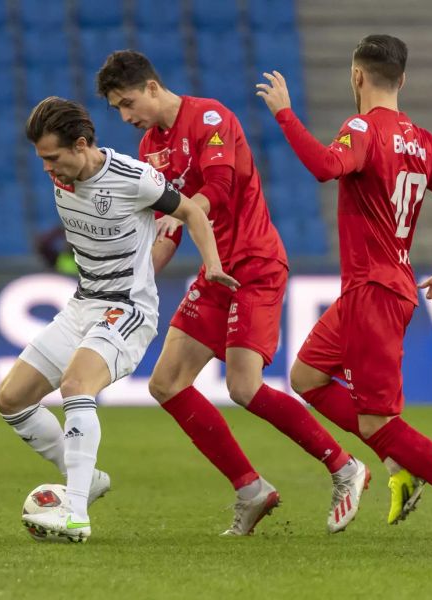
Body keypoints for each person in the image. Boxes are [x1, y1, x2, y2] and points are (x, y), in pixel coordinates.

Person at [96, 50, 369, 536]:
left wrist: (186, 216)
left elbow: (217, 189)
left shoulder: (209, 117)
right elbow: (168, 229)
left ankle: (345, 467)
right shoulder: (149, 147)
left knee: (243, 387)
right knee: (166, 383)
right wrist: (135, 284)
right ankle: (250, 488)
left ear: (153, 87)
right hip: (214, 272)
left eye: (128, 101)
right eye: (117, 107)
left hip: (254, 264)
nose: (125, 115)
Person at [256, 34, 432, 554]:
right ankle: (399, 465)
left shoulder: (361, 128)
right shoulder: (426, 140)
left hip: (374, 291)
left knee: (377, 420)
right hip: (377, 289)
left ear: (357, 76)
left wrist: (285, 115)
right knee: (305, 375)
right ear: (403, 79)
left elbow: (326, 167)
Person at [0, 96, 238, 541]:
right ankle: (88, 480)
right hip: (82, 304)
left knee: (76, 386)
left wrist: (214, 264)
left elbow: (190, 211)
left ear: (82, 144)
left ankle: (75, 511)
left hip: (127, 308)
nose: (48, 169)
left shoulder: (134, 178)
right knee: (11, 400)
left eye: (53, 158)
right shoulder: (63, 174)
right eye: (41, 160)